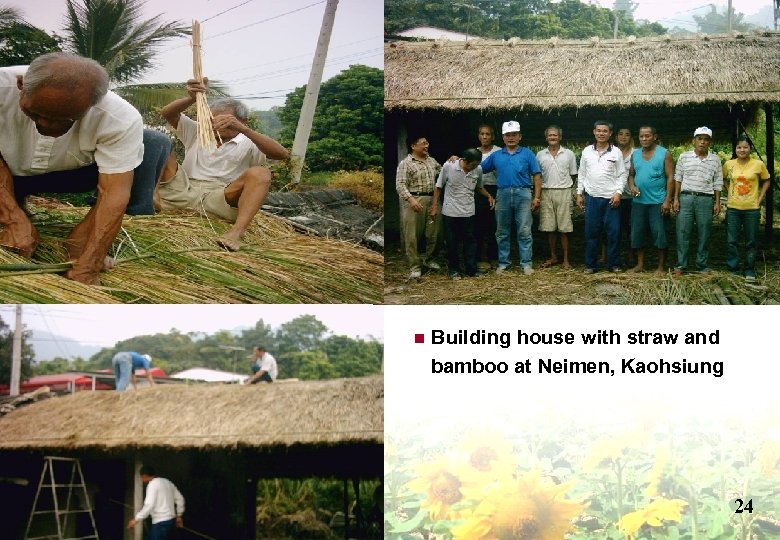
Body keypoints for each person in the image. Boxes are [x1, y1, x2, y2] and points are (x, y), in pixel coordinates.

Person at [0, 52, 173, 284]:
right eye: (36, 113)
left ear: (93, 104)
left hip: (73, 174)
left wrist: (91, 260)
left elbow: (113, 192)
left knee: (153, 142)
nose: (47, 126)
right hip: (9, 171)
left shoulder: (119, 117)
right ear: (21, 85)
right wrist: (13, 219)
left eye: (66, 119)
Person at [157, 79, 289, 251]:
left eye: (225, 121)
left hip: (219, 197)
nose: (216, 125)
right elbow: (168, 113)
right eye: (212, 120)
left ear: (243, 121)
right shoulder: (200, 131)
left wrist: (244, 130)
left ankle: (236, 233)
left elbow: (282, 154)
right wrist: (192, 98)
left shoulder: (250, 142)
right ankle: (149, 199)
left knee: (261, 174)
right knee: (159, 142)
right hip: (184, 190)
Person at [480, 120, 542, 275]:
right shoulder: (496, 155)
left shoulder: (527, 153)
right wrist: (458, 160)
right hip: (503, 193)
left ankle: (526, 263)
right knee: (502, 231)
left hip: (523, 193)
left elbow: (537, 175)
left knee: (525, 230)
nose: (511, 138)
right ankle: (504, 262)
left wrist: (537, 197)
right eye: (508, 135)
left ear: (519, 136)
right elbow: (478, 168)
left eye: (514, 134)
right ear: (503, 137)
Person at [431, 148, 495, 279]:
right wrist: (434, 207)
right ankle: (454, 270)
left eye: (477, 164)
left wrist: (489, 196)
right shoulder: (449, 166)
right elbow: (438, 187)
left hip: (469, 212)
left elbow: (479, 187)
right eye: (473, 165)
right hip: (450, 212)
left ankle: (471, 270)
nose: (475, 167)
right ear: (465, 160)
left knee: (470, 241)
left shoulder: (478, 169)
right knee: (452, 242)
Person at [577, 121, 628, 273]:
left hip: (611, 199)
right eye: (598, 131)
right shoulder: (586, 151)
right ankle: (591, 265)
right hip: (592, 198)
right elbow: (582, 173)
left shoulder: (616, 152)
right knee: (591, 233)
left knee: (613, 233)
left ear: (610, 133)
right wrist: (579, 193)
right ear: (594, 132)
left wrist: (619, 192)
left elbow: (622, 174)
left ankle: (613, 264)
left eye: (605, 131)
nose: (601, 133)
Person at [673, 127, 723, 276]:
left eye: (706, 139)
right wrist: (676, 198)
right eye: (699, 139)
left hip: (705, 199)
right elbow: (678, 178)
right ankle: (681, 265)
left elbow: (718, 182)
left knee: (704, 233)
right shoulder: (684, 156)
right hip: (686, 198)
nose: (702, 142)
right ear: (693, 141)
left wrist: (717, 202)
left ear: (710, 142)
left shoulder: (715, 159)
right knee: (683, 232)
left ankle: (702, 265)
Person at [626, 126, 674, 274]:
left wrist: (667, 201)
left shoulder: (664, 154)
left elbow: (671, 177)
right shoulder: (635, 155)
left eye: (647, 136)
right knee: (637, 233)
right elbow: (631, 175)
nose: (644, 139)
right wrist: (632, 186)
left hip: (658, 202)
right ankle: (640, 265)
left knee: (660, 234)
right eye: (641, 136)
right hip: (639, 202)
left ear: (655, 136)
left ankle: (660, 267)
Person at [722, 135, 771, 281]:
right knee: (732, 240)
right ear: (735, 149)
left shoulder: (758, 164)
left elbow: (767, 180)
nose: (742, 150)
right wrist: (729, 190)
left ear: (750, 149)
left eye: (745, 147)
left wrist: (760, 198)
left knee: (751, 240)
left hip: (752, 208)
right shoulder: (728, 164)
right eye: (739, 147)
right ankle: (733, 268)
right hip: (733, 208)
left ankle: (749, 270)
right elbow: (724, 179)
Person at [395, 134, 442, 279]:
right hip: (415, 200)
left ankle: (429, 259)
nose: (426, 145)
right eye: (423, 143)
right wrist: (411, 200)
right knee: (412, 235)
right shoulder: (406, 163)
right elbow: (400, 185)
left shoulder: (432, 161)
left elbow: (443, 173)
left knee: (434, 232)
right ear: (413, 146)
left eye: (427, 142)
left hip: (432, 199)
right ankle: (415, 266)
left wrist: (452, 161)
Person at [536, 125, 577, 270]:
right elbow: (537, 176)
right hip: (546, 192)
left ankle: (566, 259)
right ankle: (553, 256)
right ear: (546, 137)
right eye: (550, 135)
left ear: (560, 137)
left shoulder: (569, 154)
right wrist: (538, 196)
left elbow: (573, 175)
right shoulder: (540, 155)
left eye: (555, 135)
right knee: (550, 228)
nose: (552, 137)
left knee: (564, 228)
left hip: (564, 191)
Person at [127, 465, 185, 540]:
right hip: (170, 521)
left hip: (161, 522)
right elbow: (180, 498)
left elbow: (149, 505)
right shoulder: (167, 482)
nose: (141, 479)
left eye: (141, 477)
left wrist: (136, 520)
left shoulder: (152, 485)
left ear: (144, 476)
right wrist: (179, 515)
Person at [474, 124, 501, 269]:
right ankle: (478, 258)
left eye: (488, 134)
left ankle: (494, 257)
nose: (484, 137)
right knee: (478, 225)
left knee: (494, 225)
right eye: (482, 134)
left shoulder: (499, 152)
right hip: (477, 191)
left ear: (493, 136)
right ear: (479, 136)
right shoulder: (473, 152)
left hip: (495, 189)